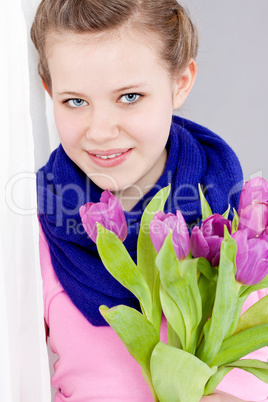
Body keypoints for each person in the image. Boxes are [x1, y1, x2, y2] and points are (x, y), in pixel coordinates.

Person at [31, 0, 267, 400]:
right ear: (49, 92)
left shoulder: (250, 224)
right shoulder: (31, 238)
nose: (101, 131)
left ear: (180, 82)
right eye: (75, 101)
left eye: (129, 97)